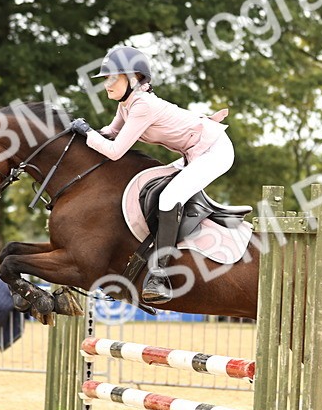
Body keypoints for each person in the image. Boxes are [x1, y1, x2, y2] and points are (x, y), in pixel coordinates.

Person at [69, 46, 234, 305]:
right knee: (150, 191)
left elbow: (114, 152)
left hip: (214, 151)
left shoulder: (143, 106)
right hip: (193, 152)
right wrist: (80, 136)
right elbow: (110, 133)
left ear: (133, 78)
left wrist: (87, 133)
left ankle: (159, 275)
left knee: (168, 199)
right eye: (105, 79)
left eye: (113, 78)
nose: (107, 85)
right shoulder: (128, 104)